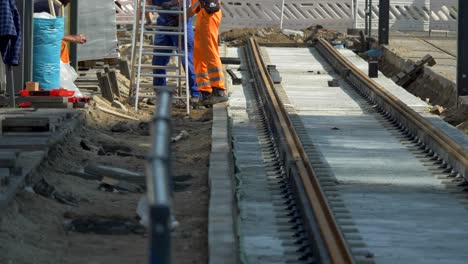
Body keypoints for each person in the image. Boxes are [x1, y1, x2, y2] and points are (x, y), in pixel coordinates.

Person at [145, 0, 200, 103]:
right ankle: (160, 93)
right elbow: (147, 3)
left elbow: (188, 5)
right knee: (159, 59)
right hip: (163, 22)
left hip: (182, 19)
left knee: (187, 59)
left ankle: (196, 93)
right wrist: (148, 19)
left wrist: (175, 10)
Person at [188, 0, 227, 104]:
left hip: (209, 13)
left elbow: (196, 4)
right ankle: (206, 92)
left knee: (210, 52)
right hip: (203, 13)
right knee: (199, 55)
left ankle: (219, 90)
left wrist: (185, 14)